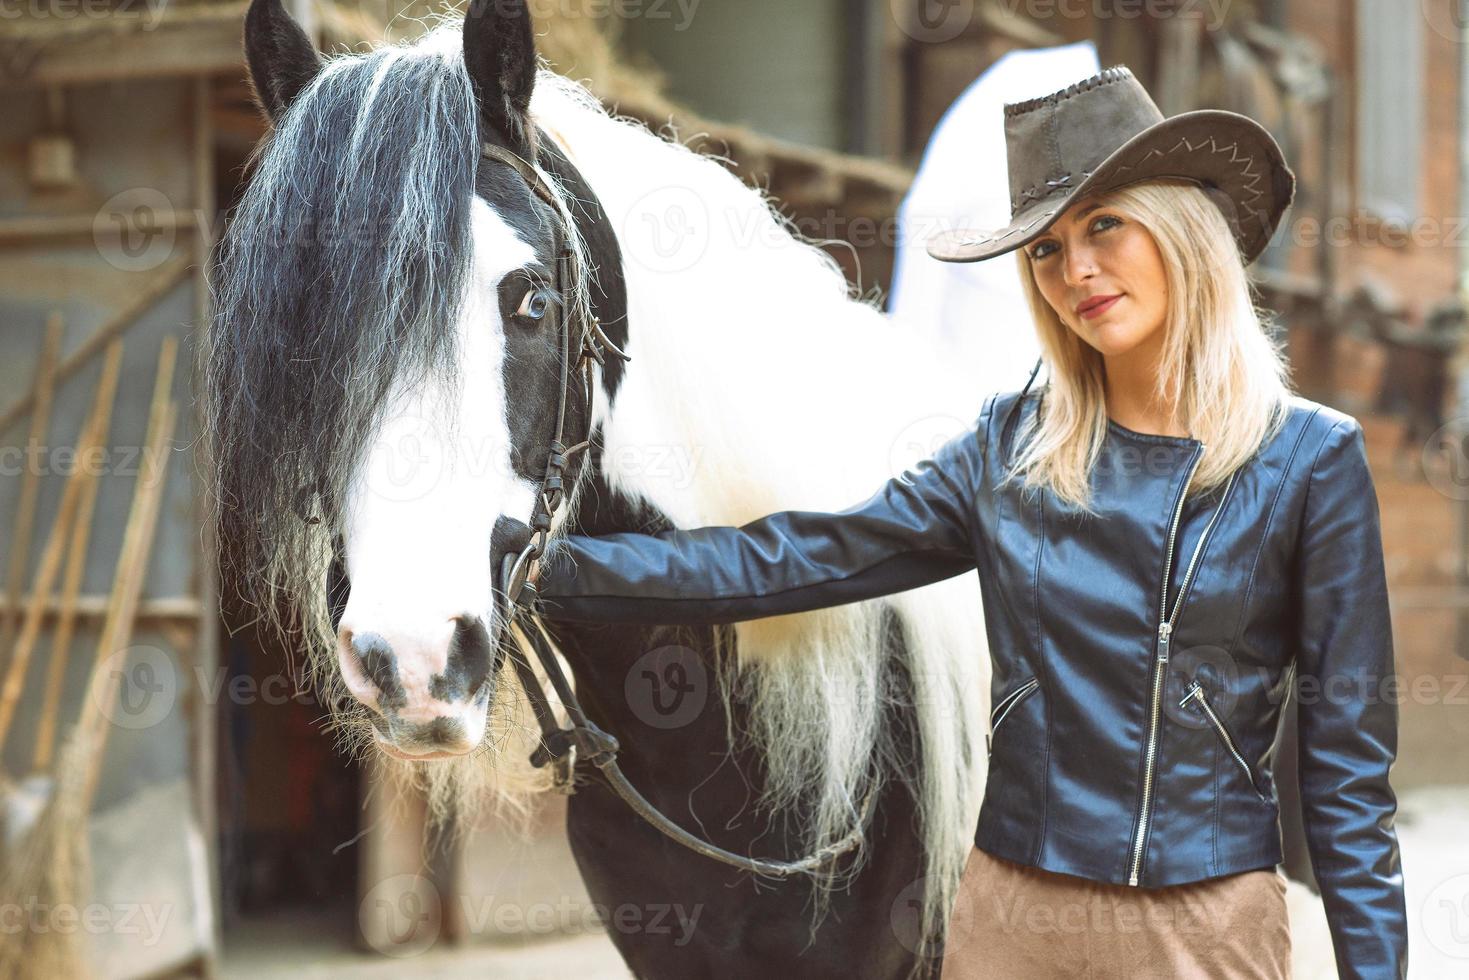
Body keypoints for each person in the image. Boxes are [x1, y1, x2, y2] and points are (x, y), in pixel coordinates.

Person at [527, 66, 1407, 980]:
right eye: (1046, 249)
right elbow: (796, 560)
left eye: (1105, 223)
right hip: (1006, 913)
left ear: (1184, 224)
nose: (1077, 271)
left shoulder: (1308, 461)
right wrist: (555, 565)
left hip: (1201, 923)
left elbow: (1346, 774)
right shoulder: (1009, 448)